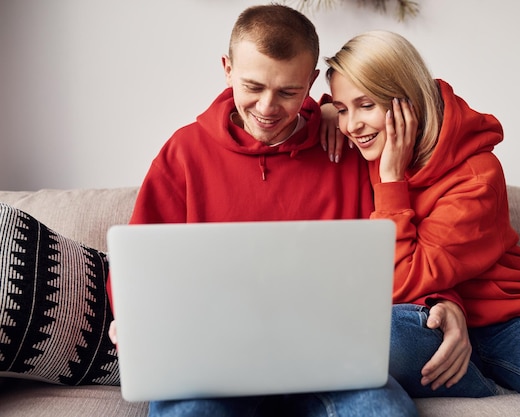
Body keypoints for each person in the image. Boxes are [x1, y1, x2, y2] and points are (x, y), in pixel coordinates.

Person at [106, 6, 422, 417]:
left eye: (289, 92)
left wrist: (442, 301)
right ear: (227, 69)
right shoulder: (183, 153)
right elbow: (138, 263)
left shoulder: (348, 149)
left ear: (311, 83)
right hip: (211, 362)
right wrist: (130, 317)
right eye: (253, 86)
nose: (268, 107)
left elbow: (397, 257)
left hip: (329, 360)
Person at [323, 30, 520, 416]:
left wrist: (392, 183)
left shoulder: (477, 172)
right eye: (343, 108)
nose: (352, 126)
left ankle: (478, 375)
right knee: (351, 344)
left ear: (407, 100)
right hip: (425, 324)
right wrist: (328, 111)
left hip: (511, 324)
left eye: (365, 105)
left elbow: (402, 280)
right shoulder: (354, 149)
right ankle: (473, 378)